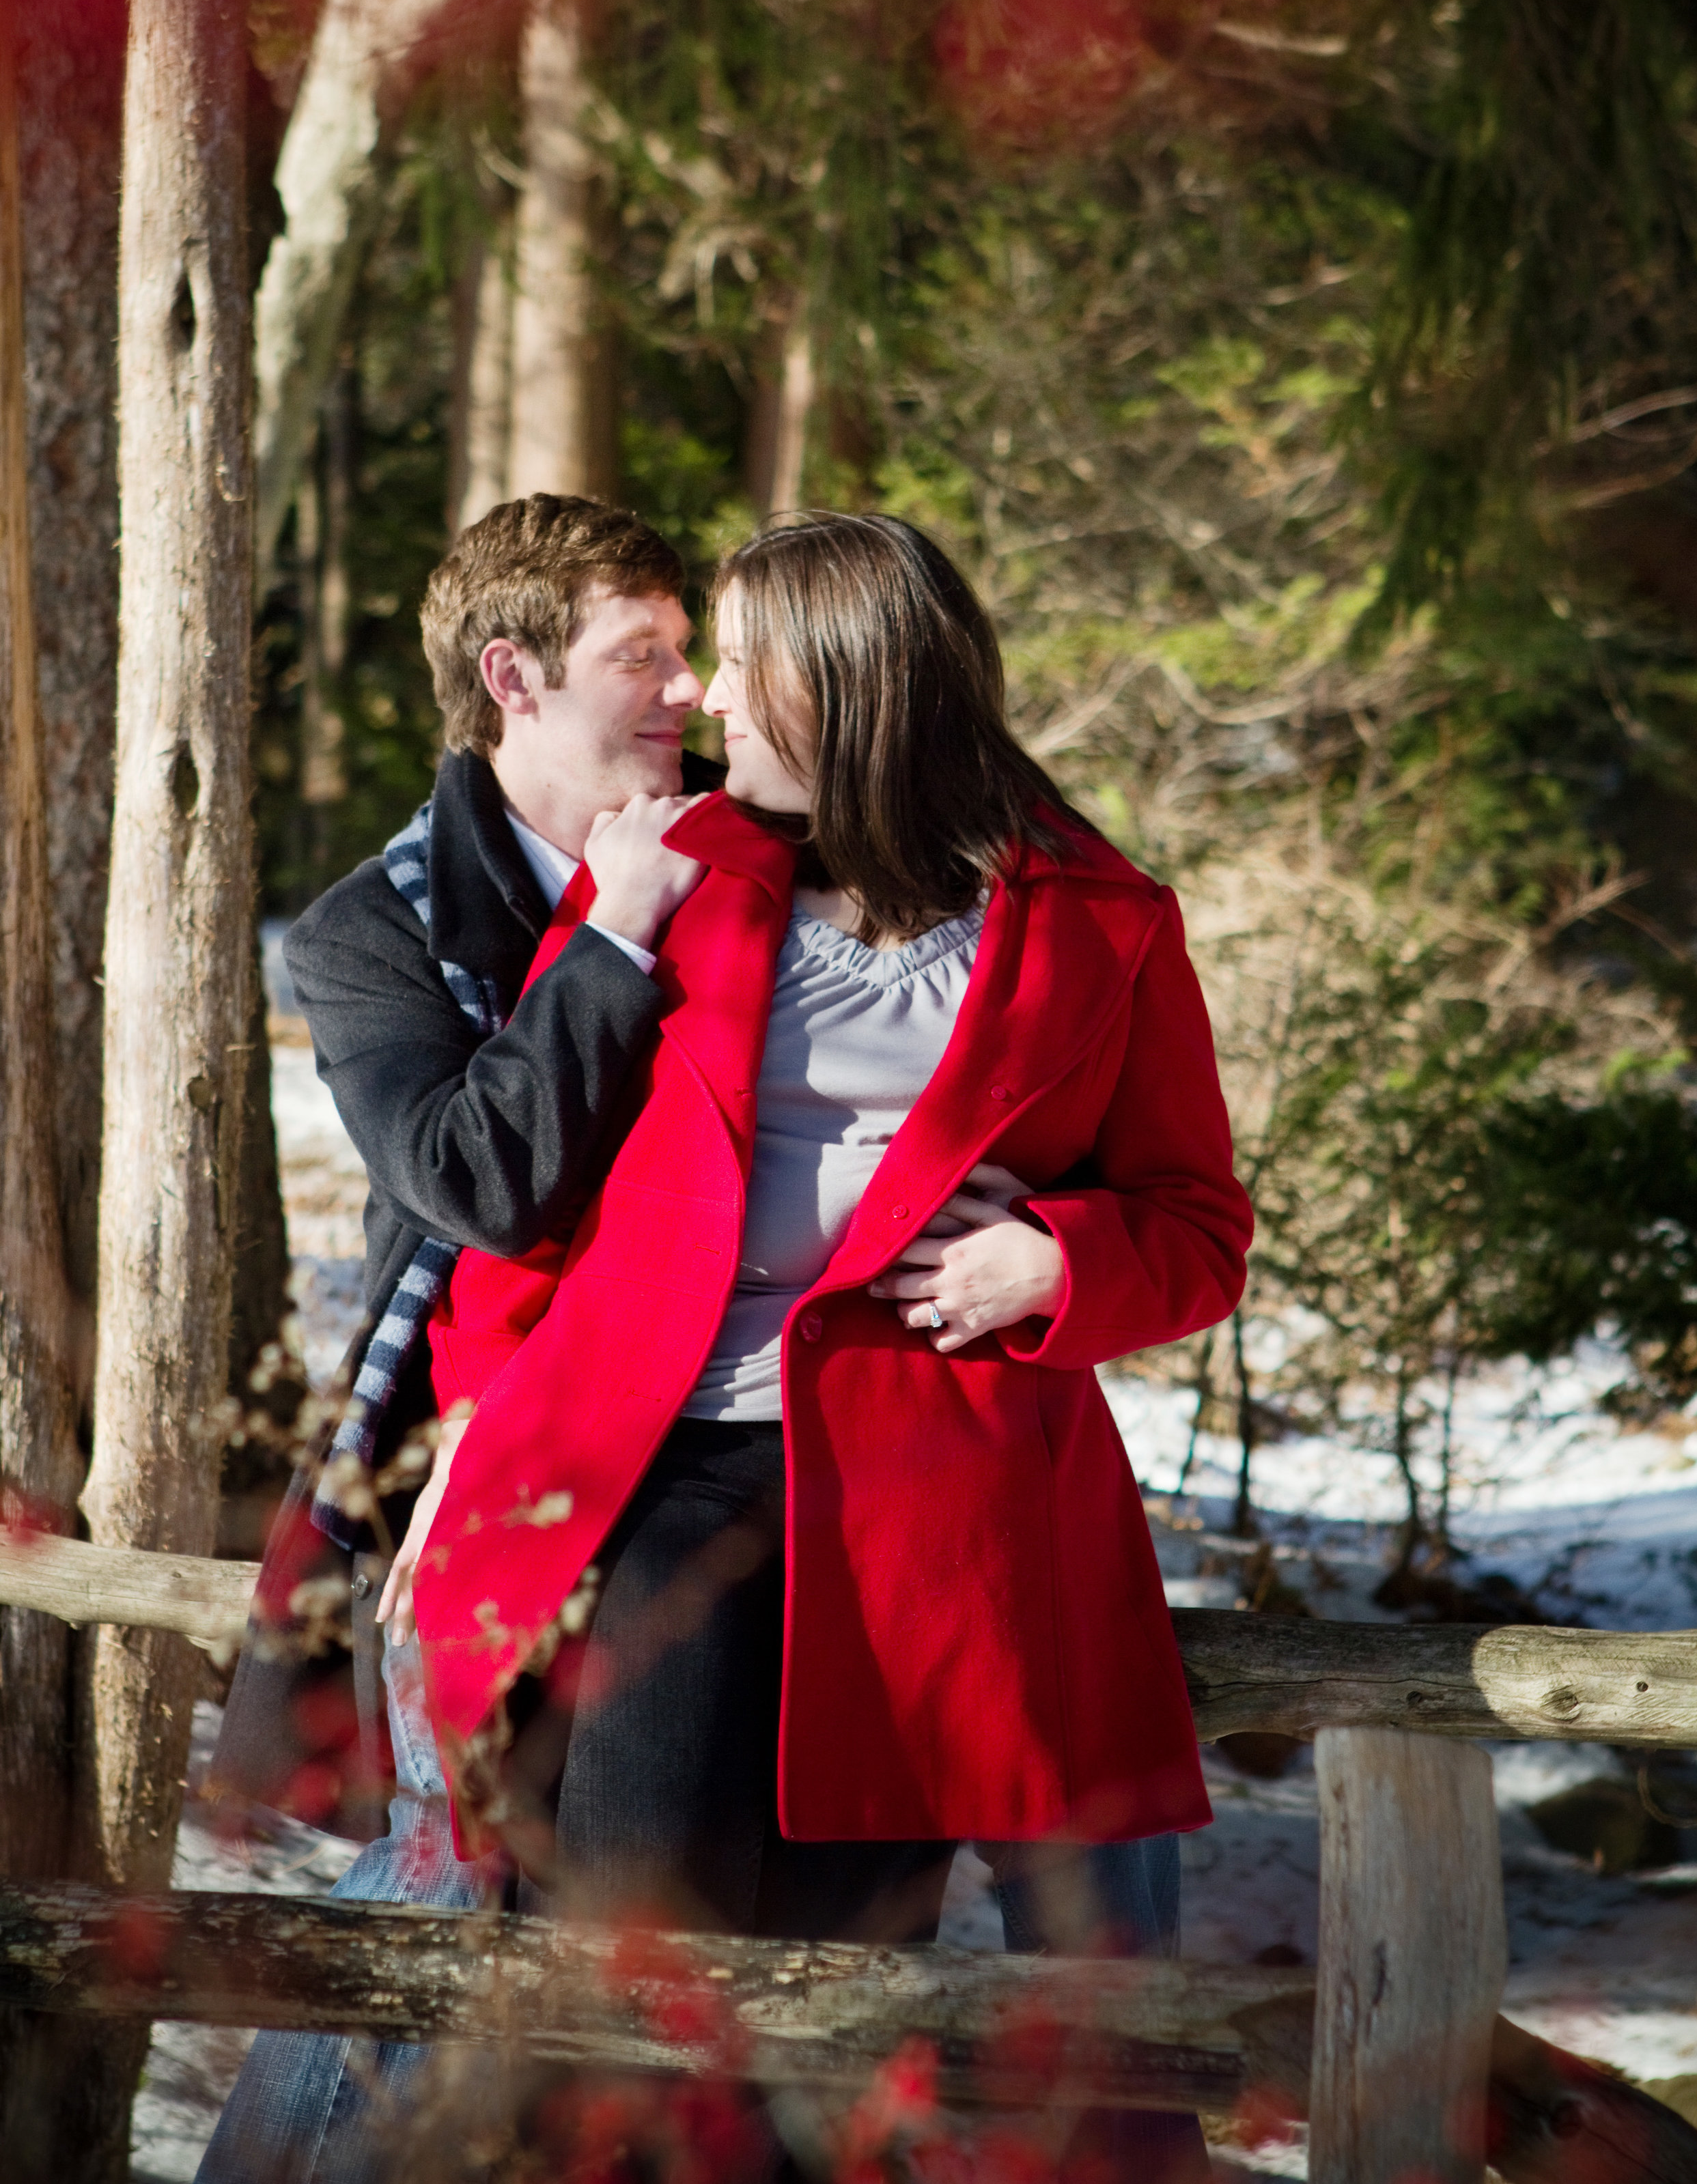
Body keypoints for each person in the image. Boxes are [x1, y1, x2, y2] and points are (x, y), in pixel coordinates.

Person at [203, 502, 1247, 2182]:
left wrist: (1051, 1263)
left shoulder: (1099, 927)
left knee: (832, 2031)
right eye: (687, 664)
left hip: (921, 1531)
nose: (708, 704)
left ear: (854, 690)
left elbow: (1199, 1227)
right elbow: (524, 1224)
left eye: (742, 668)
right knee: (608, 1991)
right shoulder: (683, 882)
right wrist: (473, 1442)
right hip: (650, 1490)